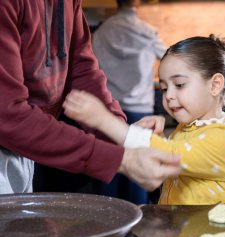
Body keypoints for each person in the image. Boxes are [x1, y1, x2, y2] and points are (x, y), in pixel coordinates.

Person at [0, 0, 181, 194]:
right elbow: (6, 114)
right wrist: (119, 158)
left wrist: (120, 133)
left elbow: (82, 69)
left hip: (26, 144)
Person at [63, 34, 225, 205]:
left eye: (179, 85)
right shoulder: (187, 130)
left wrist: (104, 120)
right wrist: (152, 138)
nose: (168, 96)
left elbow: (169, 155)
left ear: (215, 85)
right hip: (181, 233)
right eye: (164, 88)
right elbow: (161, 162)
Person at [91, 0, 167, 203]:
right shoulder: (148, 32)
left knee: (109, 169)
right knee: (138, 172)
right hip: (140, 110)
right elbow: (171, 58)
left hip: (108, 111)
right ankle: (140, 224)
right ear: (138, 3)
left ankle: (108, 225)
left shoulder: (103, 31)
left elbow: (90, 66)